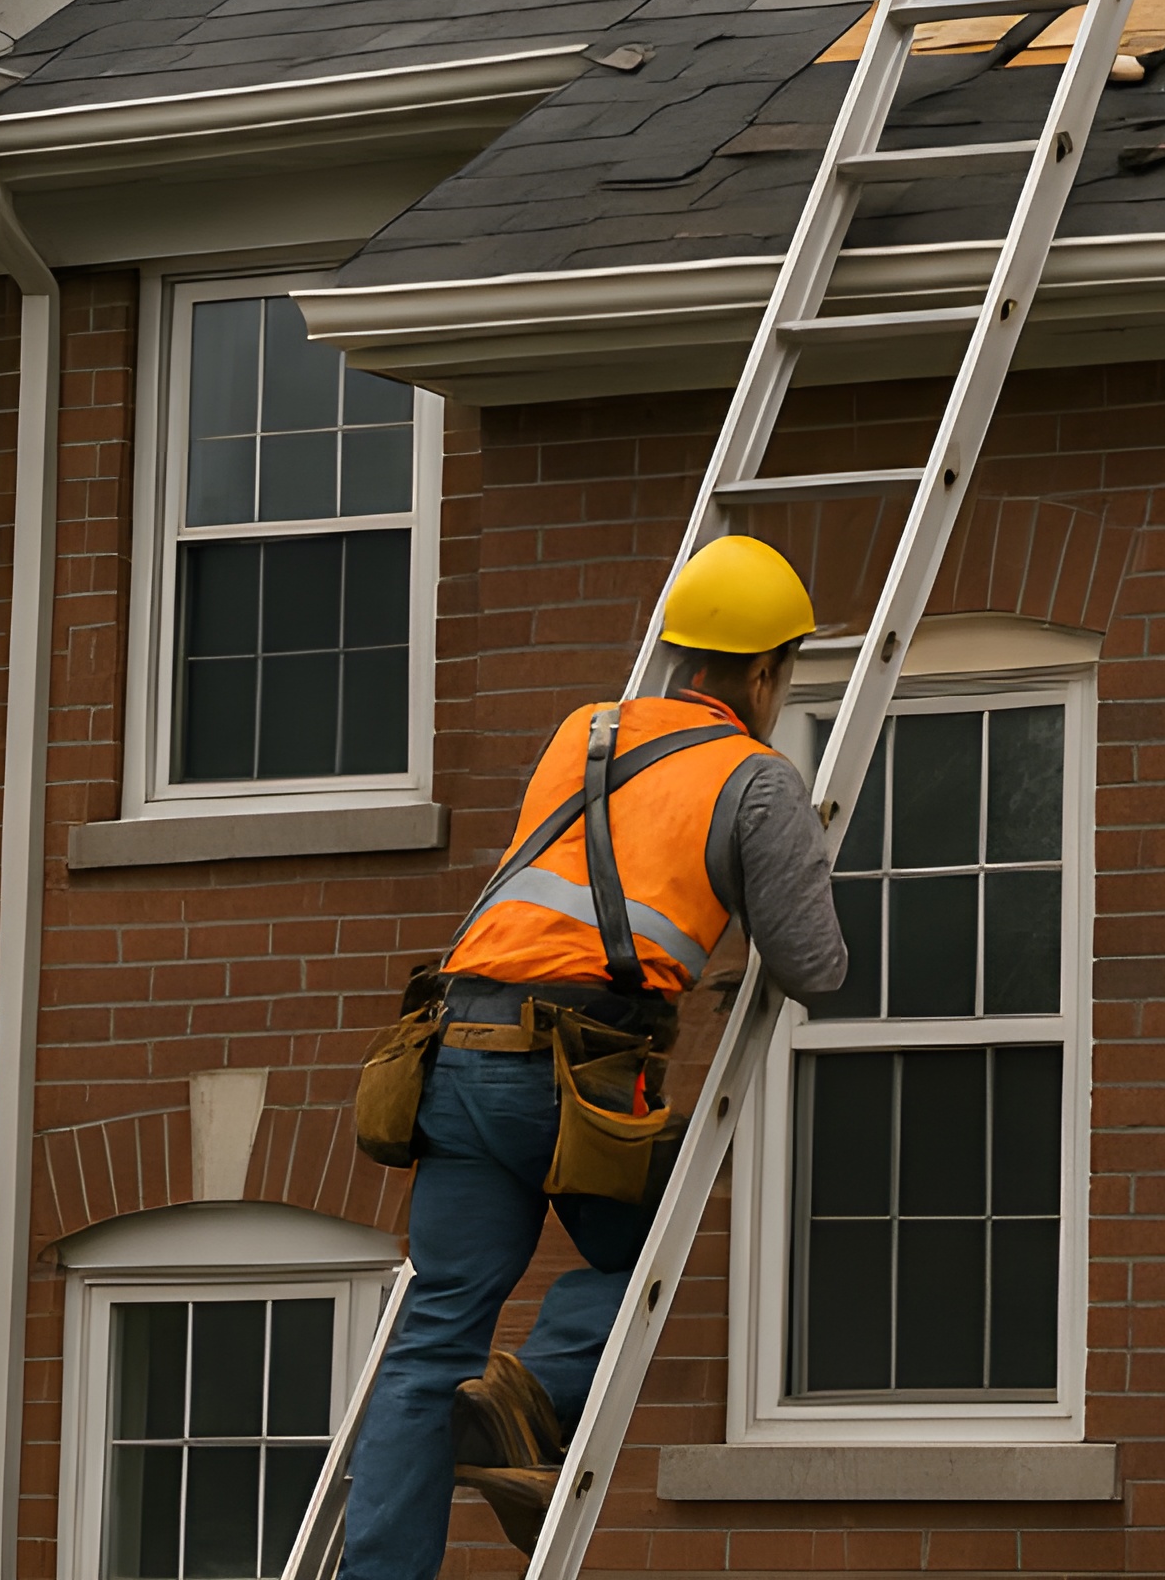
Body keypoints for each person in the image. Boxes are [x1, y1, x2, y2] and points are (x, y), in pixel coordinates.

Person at [346, 536, 847, 1572]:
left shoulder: (587, 729)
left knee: (430, 1335)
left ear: (681, 654)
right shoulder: (757, 780)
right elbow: (816, 965)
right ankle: (531, 1398)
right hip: (569, 1075)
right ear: (761, 672)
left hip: (454, 1048)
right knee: (651, 1237)